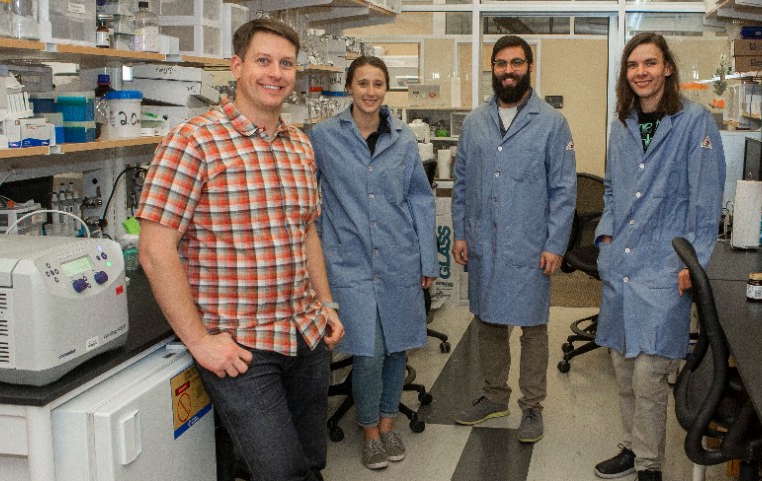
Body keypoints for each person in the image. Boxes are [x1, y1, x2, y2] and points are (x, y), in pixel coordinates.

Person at [136, 18, 342, 481]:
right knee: (280, 470)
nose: (275, 73)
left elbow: (306, 231)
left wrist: (325, 302)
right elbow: (155, 249)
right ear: (237, 66)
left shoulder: (299, 147)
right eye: (263, 61)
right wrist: (200, 340)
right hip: (243, 346)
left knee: (310, 461)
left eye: (286, 63)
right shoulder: (192, 142)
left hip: (305, 334)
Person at [591, 33, 726, 481]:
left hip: (665, 266)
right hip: (622, 264)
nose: (641, 72)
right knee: (623, 366)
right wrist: (606, 236)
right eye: (633, 65)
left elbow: (705, 201)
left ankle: (649, 465)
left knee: (650, 373)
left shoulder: (694, 123)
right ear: (626, 75)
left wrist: (694, 262)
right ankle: (631, 447)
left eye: (650, 63)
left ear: (668, 67)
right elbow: (611, 188)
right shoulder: (623, 124)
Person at [309, 55, 437, 471]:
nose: (370, 91)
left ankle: (387, 422)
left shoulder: (402, 138)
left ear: (386, 89)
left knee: (398, 345)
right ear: (349, 87)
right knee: (367, 352)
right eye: (362, 83)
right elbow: (308, 196)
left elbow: (419, 197)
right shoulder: (323, 137)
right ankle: (368, 429)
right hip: (348, 260)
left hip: (400, 255)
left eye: (377, 84)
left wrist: (427, 258)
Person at [450, 35, 576, 444]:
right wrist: (462, 232)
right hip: (485, 241)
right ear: (493, 69)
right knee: (488, 321)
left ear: (529, 67)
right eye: (501, 63)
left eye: (516, 63)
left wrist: (556, 243)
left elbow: (563, 190)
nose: (508, 70)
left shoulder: (552, 123)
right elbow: (463, 183)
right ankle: (493, 396)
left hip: (529, 243)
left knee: (533, 327)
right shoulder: (474, 122)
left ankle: (532, 407)